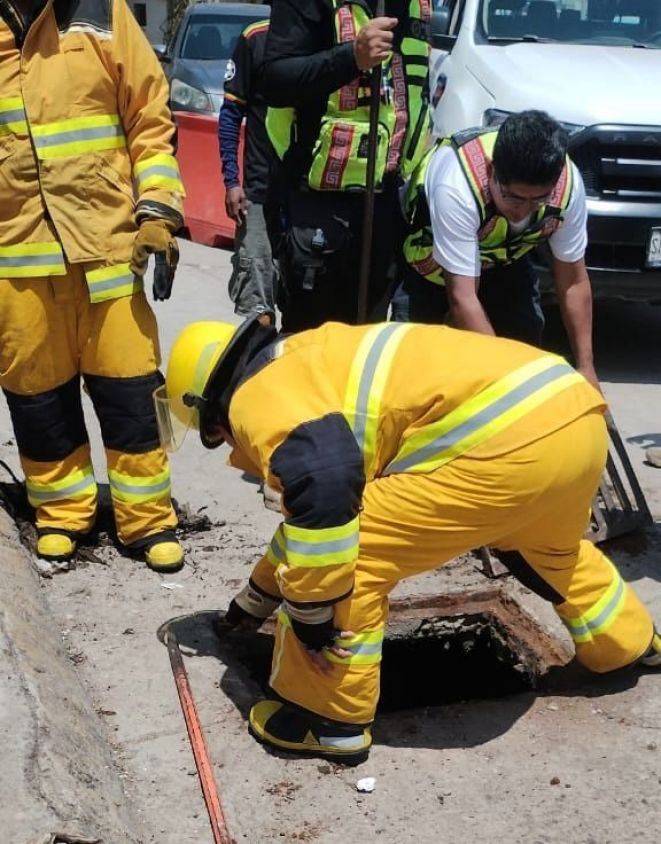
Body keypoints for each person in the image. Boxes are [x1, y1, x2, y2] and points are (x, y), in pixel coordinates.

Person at [156, 316, 661, 764]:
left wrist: (311, 612)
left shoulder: (256, 397)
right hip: (573, 418)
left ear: (211, 405)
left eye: (218, 436)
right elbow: (311, 515)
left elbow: (328, 508)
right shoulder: (311, 355)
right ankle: (628, 644)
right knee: (548, 548)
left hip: (507, 448)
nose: (229, 444)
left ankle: (327, 719)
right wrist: (256, 597)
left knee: (350, 557)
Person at [0, 0, 185, 571]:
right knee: (37, 391)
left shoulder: (102, 13)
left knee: (131, 388)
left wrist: (157, 211)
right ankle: (60, 513)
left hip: (108, 246)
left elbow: (149, 119)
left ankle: (148, 519)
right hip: (18, 255)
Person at [258, 0, 431, 332]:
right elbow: (273, 80)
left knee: (368, 340)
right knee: (310, 344)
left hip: (387, 200)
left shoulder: (415, 6)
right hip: (317, 200)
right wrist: (352, 57)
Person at [394, 110, 598, 389]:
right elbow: (463, 298)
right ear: (491, 171)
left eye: (538, 200)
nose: (524, 210)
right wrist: (503, 383)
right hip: (432, 267)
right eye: (514, 197)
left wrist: (586, 367)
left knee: (524, 350)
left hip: (504, 261)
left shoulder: (568, 187)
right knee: (420, 374)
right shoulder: (457, 184)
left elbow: (573, 281)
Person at [219, 16, 277, 324]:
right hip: (257, 193)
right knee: (257, 307)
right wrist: (232, 181)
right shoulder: (254, 38)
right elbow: (230, 115)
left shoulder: (324, 35)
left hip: (307, 196)